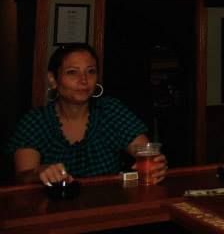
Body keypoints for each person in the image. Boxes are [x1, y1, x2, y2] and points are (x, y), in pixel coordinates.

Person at [6, 43, 166, 185]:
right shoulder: (35, 121)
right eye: (72, 72)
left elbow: (146, 152)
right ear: (53, 79)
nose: (84, 80)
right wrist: (39, 172)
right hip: (52, 206)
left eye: (91, 71)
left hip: (106, 204)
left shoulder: (110, 110)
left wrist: (156, 165)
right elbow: (22, 176)